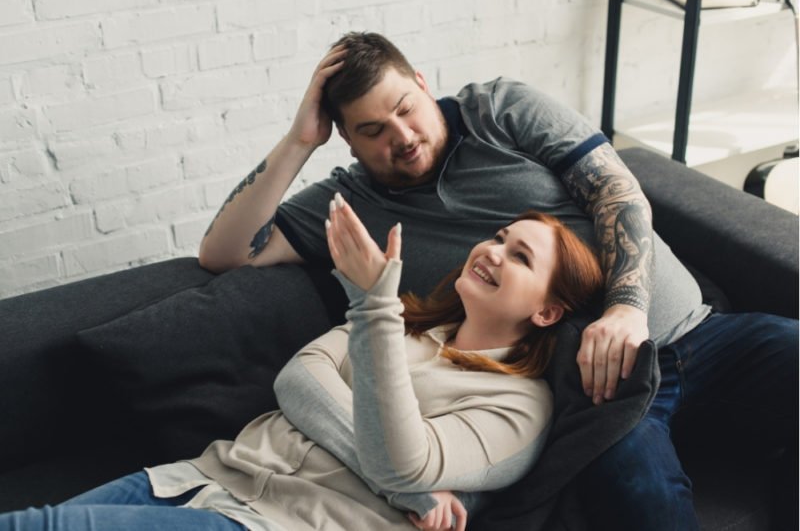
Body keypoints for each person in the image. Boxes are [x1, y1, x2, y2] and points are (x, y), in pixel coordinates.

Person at [198, 31, 799, 530]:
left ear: (424, 85)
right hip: (602, 395)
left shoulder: (499, 108)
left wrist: (626, 307)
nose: (401, 137)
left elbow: (618, 192)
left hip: (696, 332)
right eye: (373, 130)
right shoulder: (347, 202)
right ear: (347, 141)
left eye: (405, 108)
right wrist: (300, 139)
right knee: (638, 493)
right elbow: (223, 253)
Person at [0, 206, 604, 530]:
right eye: (500, 236)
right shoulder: (412, 324)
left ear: (549, 310)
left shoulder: (520, 406)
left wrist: (374, 308)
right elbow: (296, 382)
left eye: (519, 256)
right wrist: (409, 491)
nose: (493, 251)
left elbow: (403, 454)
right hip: (207, 474)